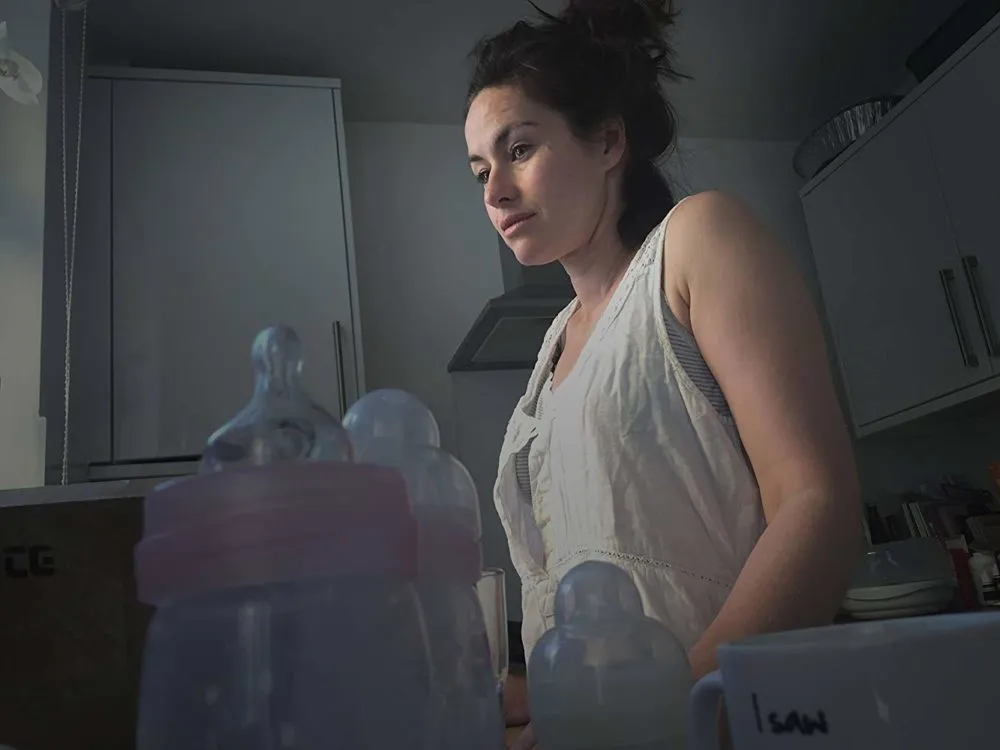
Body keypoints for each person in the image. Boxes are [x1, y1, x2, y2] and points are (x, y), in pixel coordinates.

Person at [463, 1, 862, 747]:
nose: (493, 192)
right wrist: (527, 695)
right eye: (481, 170)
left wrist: (662, 713)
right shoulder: (550, 350)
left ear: (610, 140)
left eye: (518, 150)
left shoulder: (696, 241)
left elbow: (820, 506)